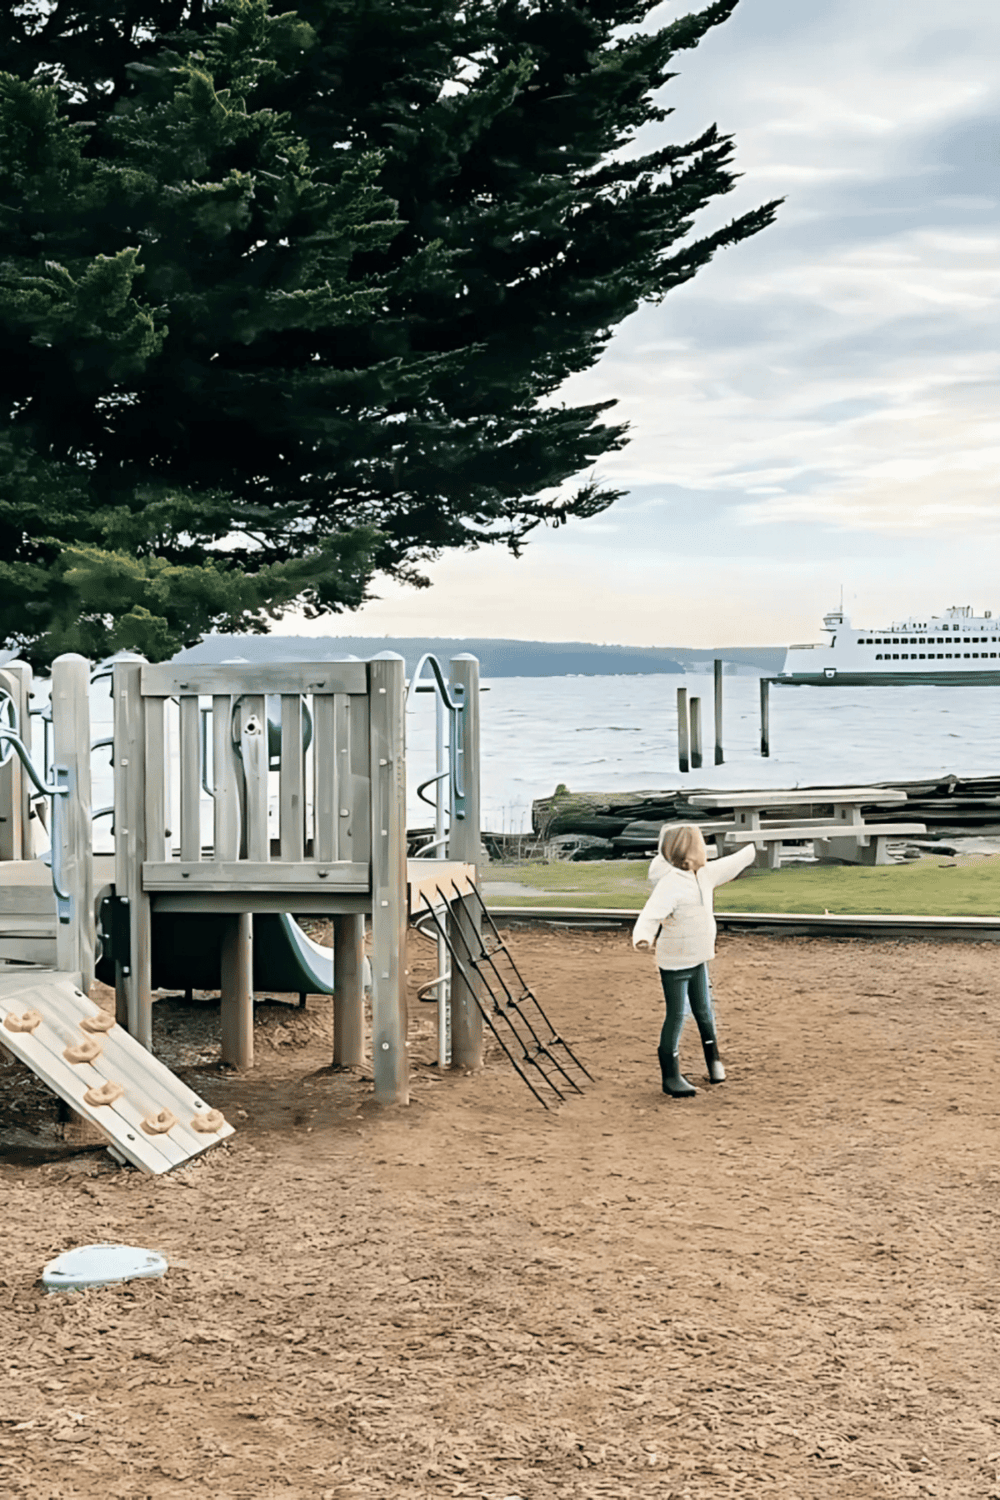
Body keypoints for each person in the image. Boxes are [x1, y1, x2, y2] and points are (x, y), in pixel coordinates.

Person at [633, 824, 756, 1098]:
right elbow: (650, 915)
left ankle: (714, 1062)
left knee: (703, 1010)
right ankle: (671, 1075)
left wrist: (751, 850)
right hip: (675, 962)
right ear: (686, 855)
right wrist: (643, 937)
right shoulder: (671, 884)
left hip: (698, 957)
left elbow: (731, 864)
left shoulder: (704, 875)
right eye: (702, 846)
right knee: (677, 1015)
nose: (707, 851)